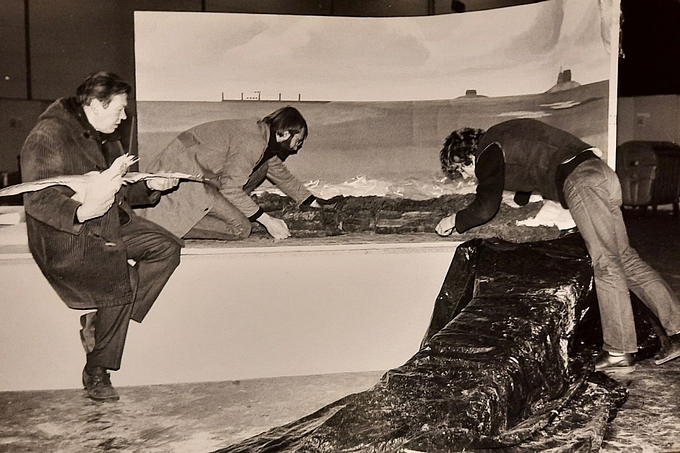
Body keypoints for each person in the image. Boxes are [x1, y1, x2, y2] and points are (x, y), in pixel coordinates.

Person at [435, 118, 680, 374]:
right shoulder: (504, 136)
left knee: (605, 263)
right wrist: (519, 204)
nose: (467, 177)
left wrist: (455, 220)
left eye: (462, 171)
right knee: (625, 260)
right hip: (602, 174)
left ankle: (619, 351)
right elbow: (533, 171)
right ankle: (677, 328)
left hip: (582, 181)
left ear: (466, 159)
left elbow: (486, 206)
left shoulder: (488, 151)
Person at [21, 72, 183, 401]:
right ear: (96, 104)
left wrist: (151, 185)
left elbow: (120, 188)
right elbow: (38, 199)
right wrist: (81, 211)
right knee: (121, 284)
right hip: (69, 233)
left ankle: (101, 320)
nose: (124, 117)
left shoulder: (104, 132)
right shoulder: (48, 135)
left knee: (166, 248)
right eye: (120, 110)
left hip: (109, 221)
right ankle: (97, 370)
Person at [139, 106, 329, 241]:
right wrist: (267, 220)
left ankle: (193, 216)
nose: (299, 147)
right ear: (285, 134)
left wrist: (313, 204)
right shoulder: (253, 141)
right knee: (242, 228)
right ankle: (164, 226)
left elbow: (282, 175)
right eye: (299, 140)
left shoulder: (262, 137)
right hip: (185, 185)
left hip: (196, 180)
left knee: (262, 170)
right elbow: (230, 188)